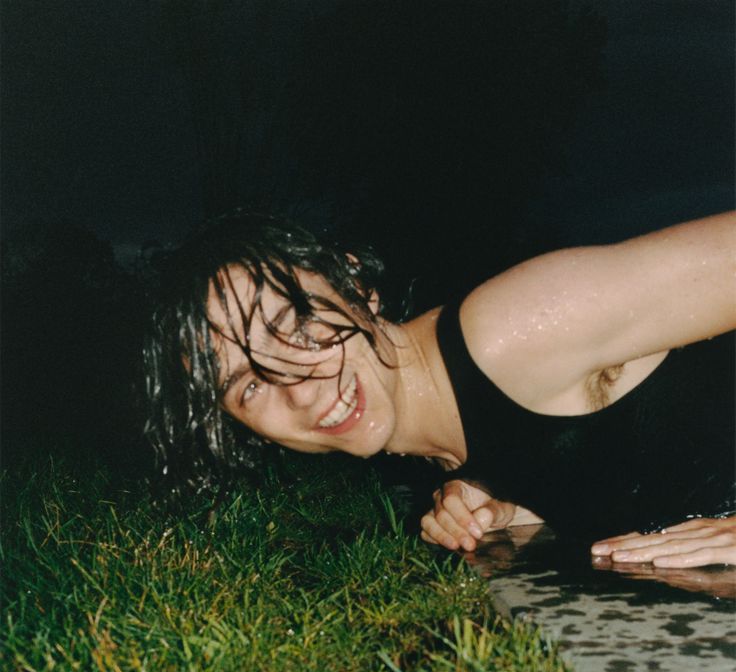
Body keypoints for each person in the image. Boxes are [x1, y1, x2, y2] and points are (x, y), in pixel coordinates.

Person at [144, 210, 736, 568]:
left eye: (295, 323)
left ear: (354, 284)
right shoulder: (445, 439)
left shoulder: (510, 329)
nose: (300, 389)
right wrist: (516, 501)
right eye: (249, 384)